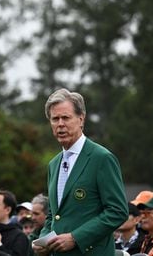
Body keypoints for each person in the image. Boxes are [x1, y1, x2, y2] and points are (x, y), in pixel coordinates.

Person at [33, 88, 128, 256]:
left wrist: (76, 238)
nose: (60, 124)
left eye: (66, 118)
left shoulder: (102, 158)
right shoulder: (53, 164)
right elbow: (53, 215)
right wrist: (44, 240)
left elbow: (118, 211)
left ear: (81, 119)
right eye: (55, 119)